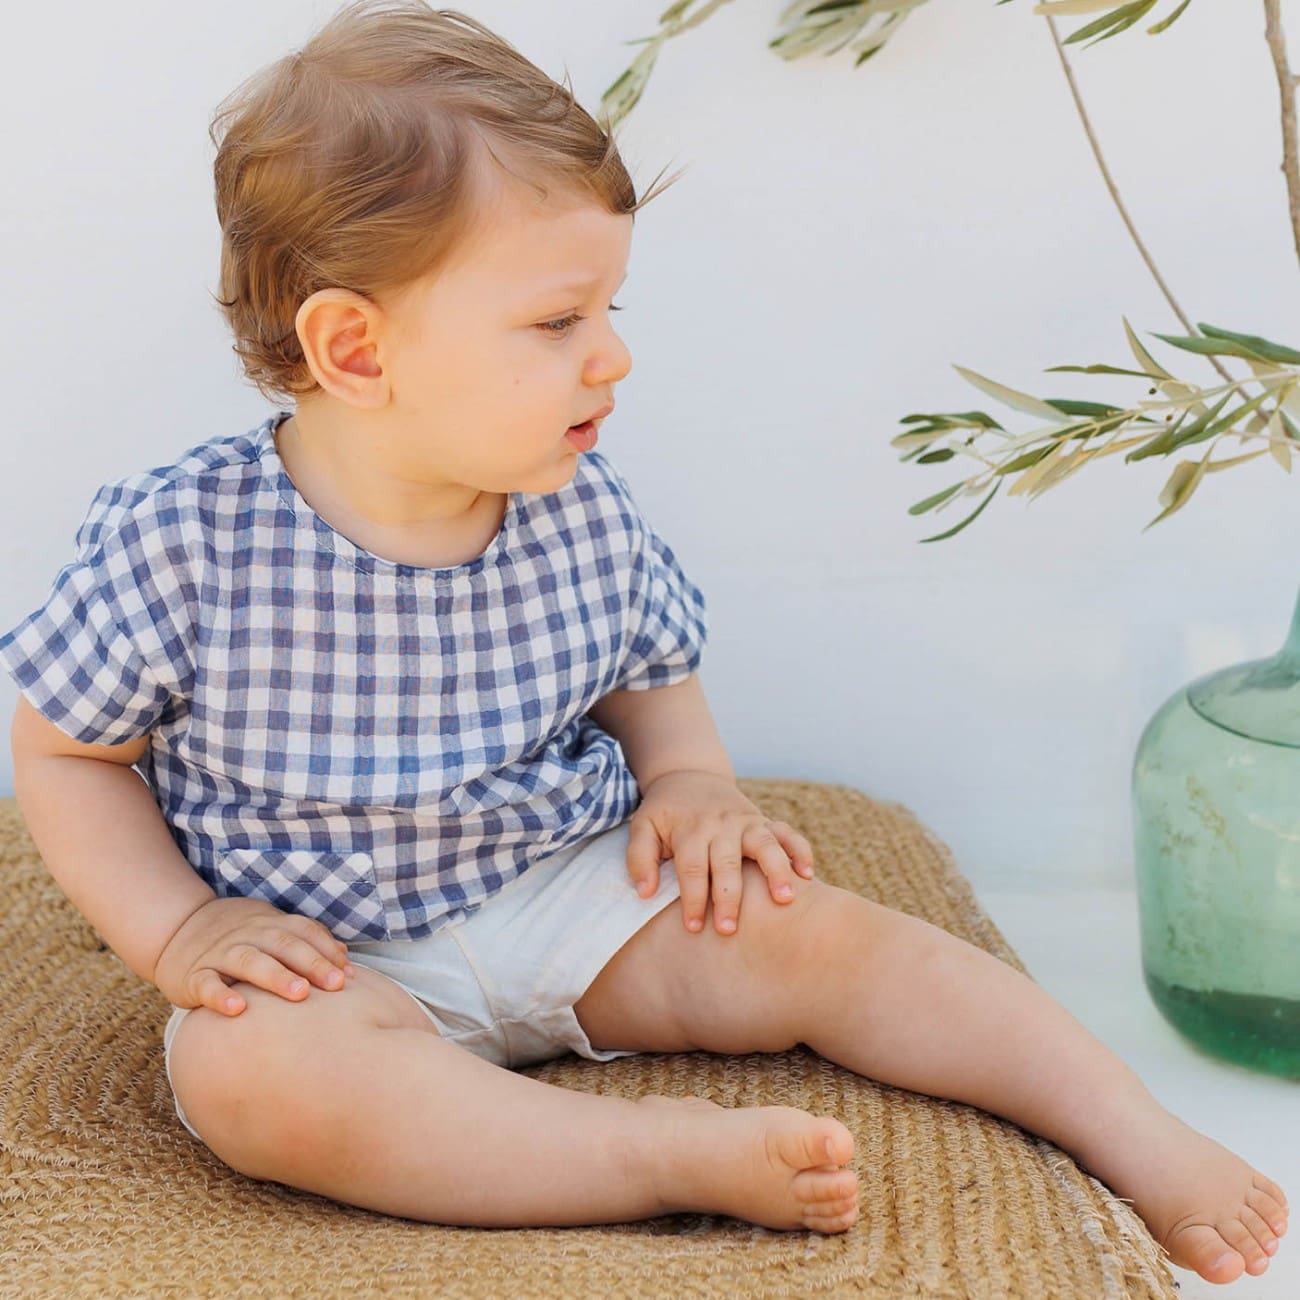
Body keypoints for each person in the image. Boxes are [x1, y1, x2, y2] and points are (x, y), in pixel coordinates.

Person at [1, 1, 1287, 1283]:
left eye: (611, 307)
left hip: (563, 892)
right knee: (253, 1078)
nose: (612, 357)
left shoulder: (576, 505)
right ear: (355, 347)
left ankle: (1133, 1130)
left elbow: (650, 676)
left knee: (816, 929)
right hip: (325, 955)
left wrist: (691, 785)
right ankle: (647, 1158)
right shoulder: (186, 542)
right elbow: (69, 755)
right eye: (559, 321)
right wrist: (181, 931)